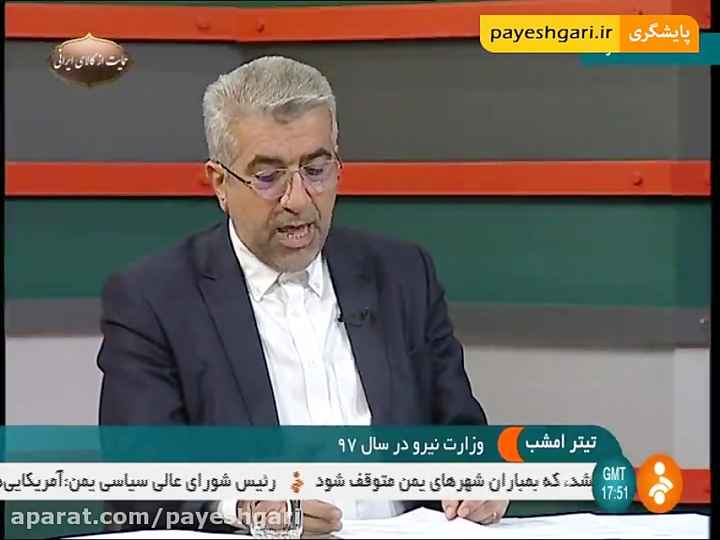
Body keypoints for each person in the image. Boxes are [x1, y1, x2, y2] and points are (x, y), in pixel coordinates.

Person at [97, 55, 509, 534]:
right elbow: (138, 485)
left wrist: (477, 478)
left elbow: (461, 434)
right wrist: (243, 507)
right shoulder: (153, 299)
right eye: (268, 177)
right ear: (220, 184)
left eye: (315, 169)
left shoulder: (403, 275)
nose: (297, 199)